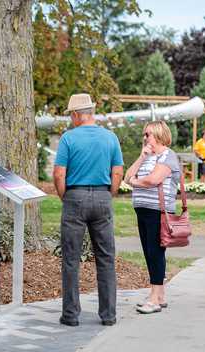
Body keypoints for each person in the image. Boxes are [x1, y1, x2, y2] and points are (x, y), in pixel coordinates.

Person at [54, 93, 124, 327]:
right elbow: (117, 172)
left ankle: (71, 315)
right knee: (106, 258)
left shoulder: (68, 139)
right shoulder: (110, 137)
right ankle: (108, 315)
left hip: (75, 196)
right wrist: (109, 193)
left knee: (71, 259)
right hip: (103, 196)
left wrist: (66, 196)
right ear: (91, 113)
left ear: (76, 115)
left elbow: (59, 173)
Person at [124, 121, 181, 315]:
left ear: (158, 134)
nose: (145, 138)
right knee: (149, 253)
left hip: (159, 212)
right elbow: (126, 176)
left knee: (156, 253)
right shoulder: (148, 157)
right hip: (143, 210)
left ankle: (154, 299)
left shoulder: (168, 156)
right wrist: (141, 157)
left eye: (147, 134)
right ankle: (160, 295)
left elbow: (152, 180)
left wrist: (134, 182)